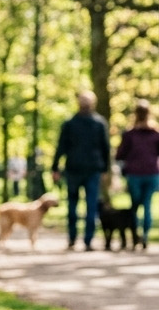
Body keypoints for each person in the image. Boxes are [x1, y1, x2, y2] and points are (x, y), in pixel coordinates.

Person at [52, 90, 110, 250]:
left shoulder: (70, 123)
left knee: (73, 205)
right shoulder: (99, 123)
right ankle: (87, 240)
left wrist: (55, 167)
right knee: (90, 205)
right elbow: (106, 148)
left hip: (75, 168)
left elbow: (61, 147)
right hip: (90, 169)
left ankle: (72, 238)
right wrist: (105, 169)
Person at [117, 99, 159, 249]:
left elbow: (120, 154)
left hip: (134, 174)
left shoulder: (130, 134)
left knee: (135, 206)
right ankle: (145, 235)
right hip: (151, 173)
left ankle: (136, 237)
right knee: (147, 205)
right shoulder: (155, 134)